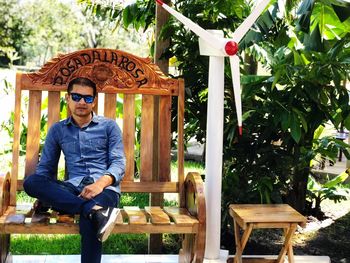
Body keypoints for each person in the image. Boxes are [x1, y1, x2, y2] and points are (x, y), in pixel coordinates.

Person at [23, 77, 126, 263]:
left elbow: (118, 163)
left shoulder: (109, 127)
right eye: (76, 96)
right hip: (71, 188)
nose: (81, 102)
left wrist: (99, 184)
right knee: (31, 182)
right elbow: (45, 169)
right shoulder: (58, 130)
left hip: (104, 190)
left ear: (94, 101)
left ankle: (92, 210)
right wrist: (45, 193)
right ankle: (95, 210)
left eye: (87, 98)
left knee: (90, 219)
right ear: (67, 98)